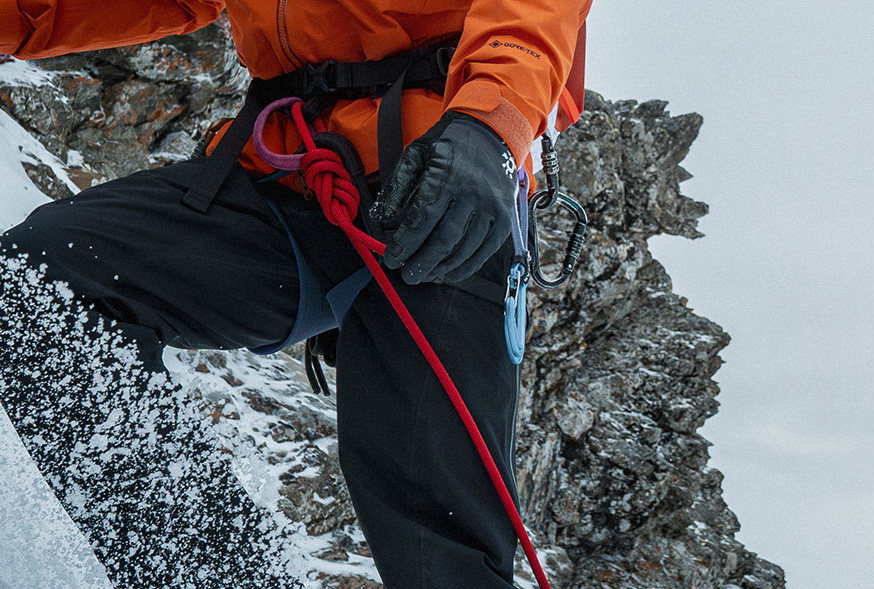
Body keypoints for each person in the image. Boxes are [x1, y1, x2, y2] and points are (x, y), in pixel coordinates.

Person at [0, 0, 590, 587]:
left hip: (441, 182)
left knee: (437, 548)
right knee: (37, 285)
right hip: (288, 168)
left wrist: (492, 123)